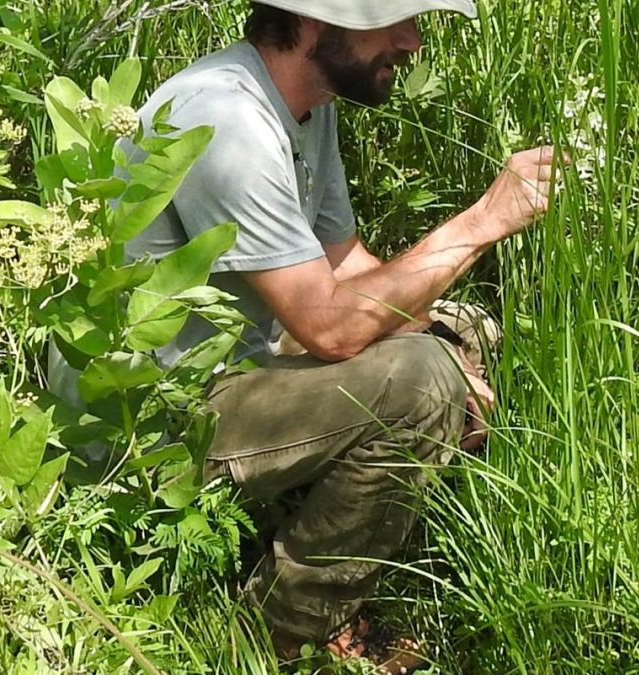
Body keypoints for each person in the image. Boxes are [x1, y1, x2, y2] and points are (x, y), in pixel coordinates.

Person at [122, 0, 559, 670]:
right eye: (393, 21)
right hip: (146, 428)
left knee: (457, 331)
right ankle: (285, 624)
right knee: (420, 384)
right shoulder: (225, 118)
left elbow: (347, 268)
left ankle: (289, 530)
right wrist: (483, 221)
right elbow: (328, 326)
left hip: (236, 369)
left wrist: (441, 342)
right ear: (314, 22)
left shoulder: (306, 106)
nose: (412, 41)